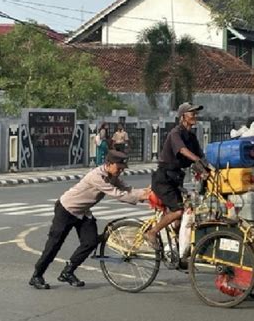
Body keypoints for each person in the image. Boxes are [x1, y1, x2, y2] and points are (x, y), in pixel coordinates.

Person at [29, 150, 150, 290]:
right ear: (109, 164)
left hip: (83, 212)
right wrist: (142, 197)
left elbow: (127, 189)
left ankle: (68, 271)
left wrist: (146, 193)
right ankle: (37, 275)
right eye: (119, 168)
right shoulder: (97, 176)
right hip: (66, 209)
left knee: (90, 242)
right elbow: (117, 194)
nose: (121, 171)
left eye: (123, 169)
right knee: (54, 244)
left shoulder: (112, 176)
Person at [144, 102, 209, 250]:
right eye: (192, 113)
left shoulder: (191, 136)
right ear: (183, 117)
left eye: (195, 113)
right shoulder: (176, 133)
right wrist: (197, 160)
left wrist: (208, 169)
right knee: (177, 211)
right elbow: (183, 151)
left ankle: (178, 247)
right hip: (163, 179)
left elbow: (201, 156)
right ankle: (152, 233)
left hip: (175, 179)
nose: (195, 116)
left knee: (182, 217)